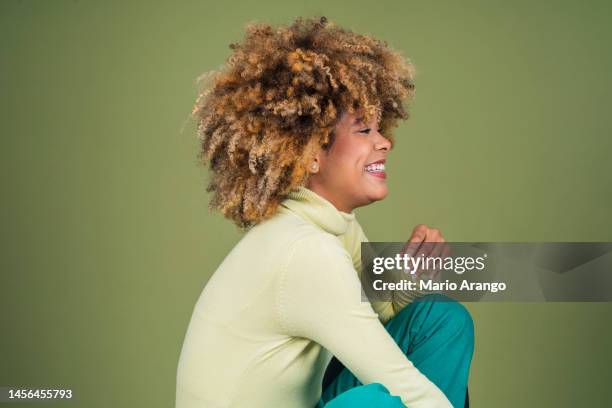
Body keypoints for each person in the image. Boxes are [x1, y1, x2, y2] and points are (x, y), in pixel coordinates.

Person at [176, 16, 474, 408]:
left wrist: (410, 278)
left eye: (380, 128)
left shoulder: (333, 225)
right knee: (379, 402)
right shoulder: (305, 250)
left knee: (438, 319)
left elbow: (382, 319)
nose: (385, 142)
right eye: (364, 130)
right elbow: (397, 381)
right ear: (312, 155)